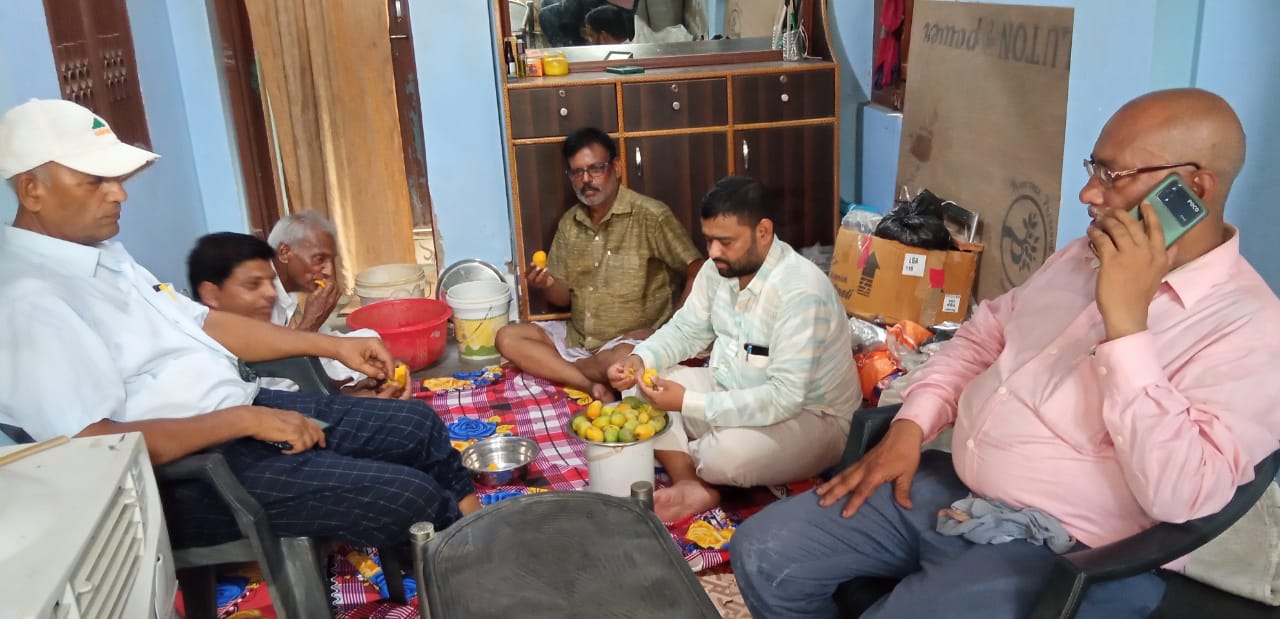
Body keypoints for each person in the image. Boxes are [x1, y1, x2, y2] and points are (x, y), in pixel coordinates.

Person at [731, 88, 1280, 618]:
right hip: (954, 491)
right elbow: (983, 334)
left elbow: (1182, 495)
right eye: (1093, 169)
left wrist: (1127, 326)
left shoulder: (1252, 329)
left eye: (1112, 176)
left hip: (1070, 551)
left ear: (1193, 187)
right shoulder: (1080, 257)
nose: (1088, 194)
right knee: (763, 551)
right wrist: (912, 424)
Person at [0, 98, 479, 549]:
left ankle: (474, 538)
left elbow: (205, 323)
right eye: (95, 181)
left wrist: (333, 347)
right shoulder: (28, 301)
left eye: (116, 178)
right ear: (32, 189)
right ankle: (466, 562)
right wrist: (243, 420)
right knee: (408, 497)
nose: (119, 193)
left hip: (241, 412)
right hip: (188, 476)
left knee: (416, 426)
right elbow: (94, 447)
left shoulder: (102, 256)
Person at [607, 176, 861, 522]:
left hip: (813, 419)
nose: (713, 252)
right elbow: (686, 330)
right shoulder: (718, 270)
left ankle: (695, 453)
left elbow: (785, 398)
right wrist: (639, 359)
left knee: (725, 457)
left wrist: (687, 403)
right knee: (641, 385)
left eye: (725, 242)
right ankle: (690, 483)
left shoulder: (801, 292)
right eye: (709, 239)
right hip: (732, 388)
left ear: (763, 232)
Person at [496, 127, 702, 401]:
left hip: (627, 343)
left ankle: (564, 369)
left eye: (595, 169)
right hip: (579, 338)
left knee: (622, 363)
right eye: (577, 172)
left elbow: (698, 271)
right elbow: (561, 298)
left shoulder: (650, 216)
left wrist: (669, 330)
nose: (586, 179)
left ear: (616, 168)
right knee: (507, 338)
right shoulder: (570, 223)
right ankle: (589, 384)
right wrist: (546, 284)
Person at [187, 231, 406, 399]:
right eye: (253, 284)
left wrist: (350, 392)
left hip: (299, 401)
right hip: (288, 423)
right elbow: (280, 400)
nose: (271, 293)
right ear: (211, 294)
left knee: (367, 340)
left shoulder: (266, 310)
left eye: (270, 281)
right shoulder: (208, 365)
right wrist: (352, 405)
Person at [265, 209, 342, 333]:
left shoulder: (289, 291)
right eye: (320, 259)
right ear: (284, 253)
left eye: (331, 260)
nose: (329, 272)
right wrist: (311, 321)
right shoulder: (259, 297)